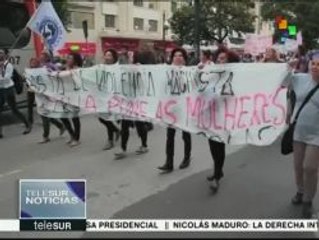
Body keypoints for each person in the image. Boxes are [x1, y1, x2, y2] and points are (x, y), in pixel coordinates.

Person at [285, 50, 319, 218]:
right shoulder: (301, 79)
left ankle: (308, 200)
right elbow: (284, 82)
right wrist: (288, 67)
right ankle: (300, 190)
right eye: (314, 63)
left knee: (310, 168)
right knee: (298, 166)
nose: (316, 67)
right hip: (299, 131)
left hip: (317, 135)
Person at [206, 46, 240, 191]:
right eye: (218, 58)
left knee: (220, 145)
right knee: (213, 145)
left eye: (223, 58)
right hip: (211, 116)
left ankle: (217, 176)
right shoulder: (212, 74)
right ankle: (217, 171)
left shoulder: (234, 75)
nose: (219, 61)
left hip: (225, 116)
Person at [114, 41, 155, 159]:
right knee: (125, 124)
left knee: (139, 123)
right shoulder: (132, 58)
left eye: (145, 46)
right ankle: (123, 148)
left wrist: (139, 68)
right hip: (129, 95)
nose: (143, 47)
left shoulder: (150, 59)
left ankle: (144, 145)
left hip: (139, 96)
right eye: (141, 46)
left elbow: (149, 74)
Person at [158, 48, 192, 173]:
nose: (178, 57)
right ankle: (169, 162)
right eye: (175, 55)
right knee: (170, 136)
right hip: (171, 109)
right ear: (172, 58)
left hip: (184, 108)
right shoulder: (166, 71)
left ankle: (187, 158)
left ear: (184, 58)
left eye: (181, 55)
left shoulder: (189, 72)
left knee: (185, 135)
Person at [0, 49, 31, 138]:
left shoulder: (9, 66)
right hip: (0, 89)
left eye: (1, 54)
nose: (0, 55)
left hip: (8, 89)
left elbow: (6, 78)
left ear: (5, 55)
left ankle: (27, 124)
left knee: (14, 109)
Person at [38, 52, 65, 143]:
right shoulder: (40, 66)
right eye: (40, 57)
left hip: (50, 93)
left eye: (42, 57)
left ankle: (45, 136)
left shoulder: (51, 66)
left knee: (45, 114)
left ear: (46, 58)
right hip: (42, 93)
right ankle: (61, 126)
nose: (40, 58)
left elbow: (57, 76)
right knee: (46, 114)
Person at [99, 49, 120, 150]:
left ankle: (110, 140)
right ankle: (116, 130)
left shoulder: (118, 68)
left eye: (109, 55)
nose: (107, 57)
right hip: (103, 96)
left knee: (107, 117)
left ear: (114, 57)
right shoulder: (101, 68)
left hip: (114, 97)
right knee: (102, 117)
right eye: (106, 55)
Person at [60, 53, 82, 147]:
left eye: (70, 58)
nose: (68, 59)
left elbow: (78, 83)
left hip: (74, 96)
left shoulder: (77, 70)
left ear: (75, 60)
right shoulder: (66, 68)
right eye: (67, 57)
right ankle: (72, 135)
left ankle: (76, 138)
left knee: (74, 117)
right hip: (65, 95)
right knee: (63, 116)